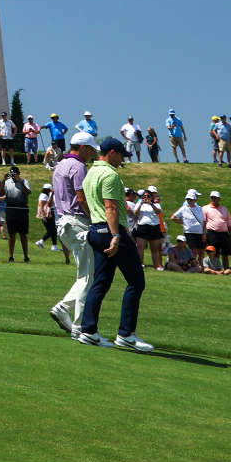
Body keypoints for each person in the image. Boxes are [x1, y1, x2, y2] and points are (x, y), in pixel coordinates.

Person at [77, 137, 153, 352]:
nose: (122, 161)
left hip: (96, 230)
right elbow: (111, 207)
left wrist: (96, 221)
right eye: (121, 156)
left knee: (101, 282)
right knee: (136, 282)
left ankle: (88, 331)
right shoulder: (110, 175)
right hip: (111, 232)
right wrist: (116, 236)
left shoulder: (90, 173)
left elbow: (82, 199)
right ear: (112, 152)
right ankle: (126, 334)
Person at [48, 131, 96, 336]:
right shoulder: (78, 166)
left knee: (84, 275)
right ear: (83, 148)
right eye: (91, 149)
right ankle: (78, 324)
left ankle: (69, 314)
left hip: (64, 223)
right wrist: (95, 219)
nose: (92, 154)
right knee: (88, 277)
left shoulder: (60, 165)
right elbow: (82, 197)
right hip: (78, 222)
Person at [0, 166, 32, 263]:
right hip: (10, 208)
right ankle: (11, 256)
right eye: (12, 174)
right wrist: (3, 181)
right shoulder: (7, 182)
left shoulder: (24, 181)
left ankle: (26, 256)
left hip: (22, 208)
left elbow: (27, 192)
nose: (14, 176)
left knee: (23, 234)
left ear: (19, 174)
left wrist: (20, 182)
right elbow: (1, 193)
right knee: (12, 234)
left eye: (15, 174)